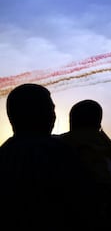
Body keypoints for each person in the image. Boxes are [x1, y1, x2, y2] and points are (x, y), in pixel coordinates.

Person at [0, 84, 97, 230]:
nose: (53, 115)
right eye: (50, 109)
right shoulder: (62, 153)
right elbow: (86, 206)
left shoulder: (5, 155)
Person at [60, 99, 111, 230]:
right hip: (103, 206)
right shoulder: (106, 145)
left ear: (71, 121)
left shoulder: (59, 142)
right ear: (99, 123)